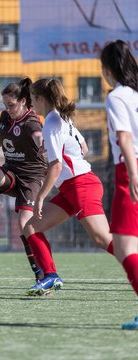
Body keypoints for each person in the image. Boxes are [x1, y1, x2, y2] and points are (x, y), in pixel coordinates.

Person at [23, 78, 114, 296]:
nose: (30, 104)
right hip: (74, 186)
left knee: (102, 239)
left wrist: (41, 196)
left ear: (40, 99)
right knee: (31, 228)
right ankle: (51, 276)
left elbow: (55, 166)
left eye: (32, 99)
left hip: (81, 186)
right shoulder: (61, 119)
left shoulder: (52, 124)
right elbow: (84, 148)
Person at [0, 77, 58, 282]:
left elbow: (38, 135)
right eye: (5, 105)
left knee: (25, 224)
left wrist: (42, 142)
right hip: (11, 173)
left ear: (24, 102)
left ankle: (42, 271)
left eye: (11, 105)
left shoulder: (31, 121)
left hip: (32, 179)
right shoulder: (6, 116)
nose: (7, 109)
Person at [100, 40, 138, 330]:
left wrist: (133, 174)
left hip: (130, 169)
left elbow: (124, 138)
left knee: (125, 249)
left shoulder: (117, 97)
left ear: (106, 68)